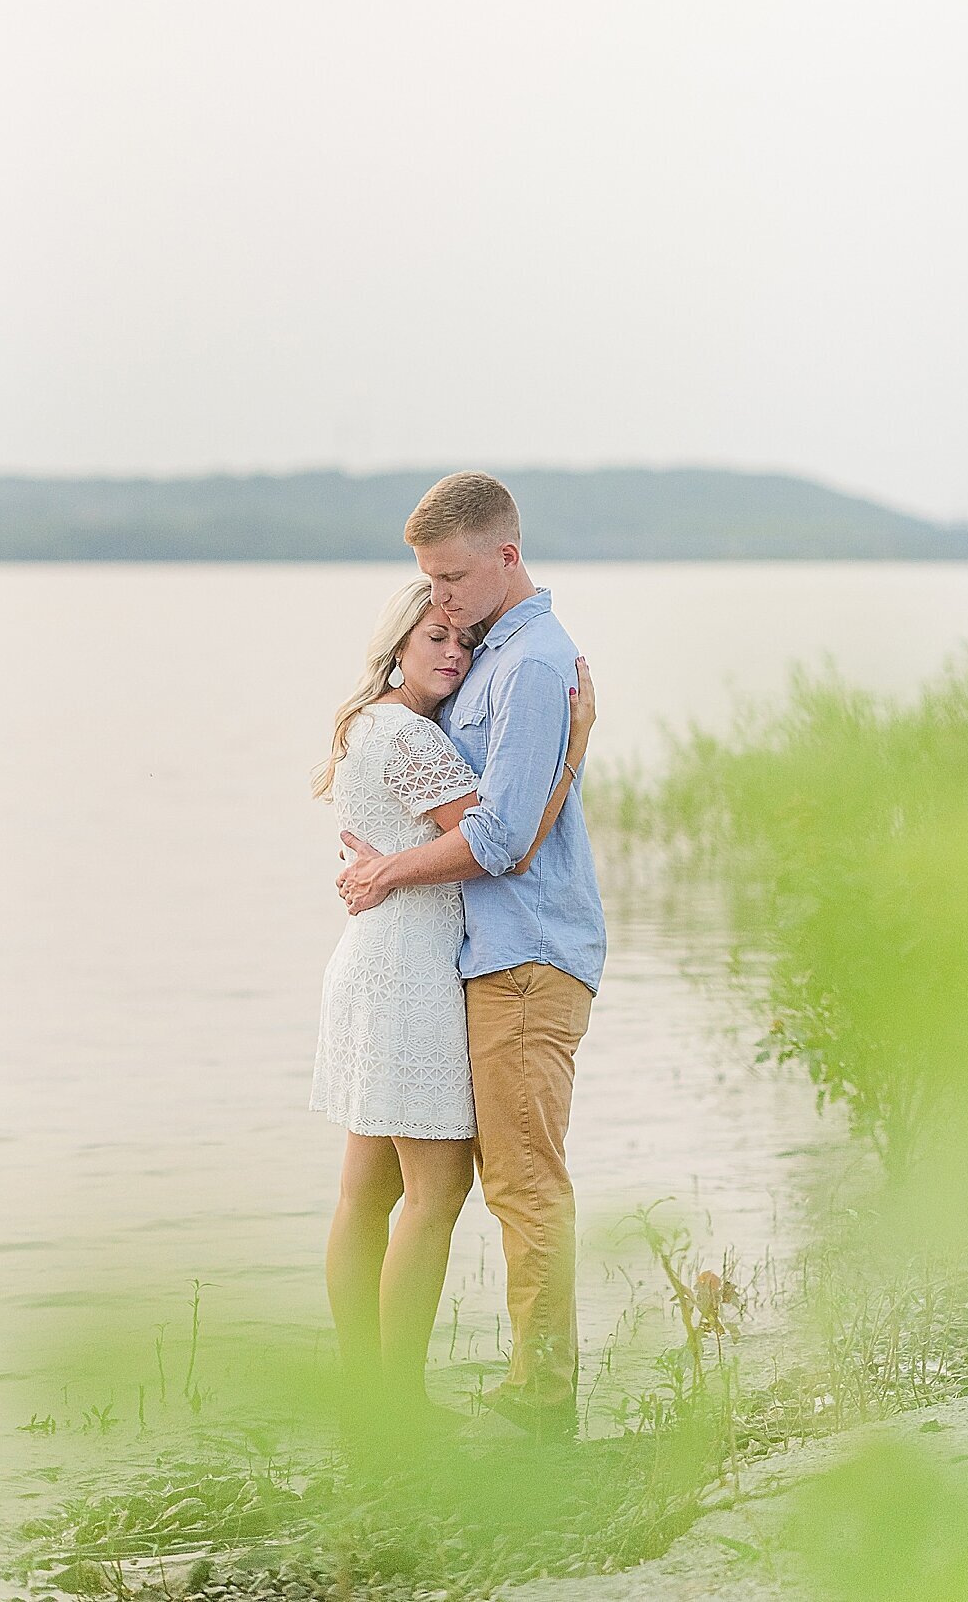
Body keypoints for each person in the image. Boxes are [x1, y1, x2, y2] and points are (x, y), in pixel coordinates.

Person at [338, 471, 608, 1442]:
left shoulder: (535, 663)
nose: (440, 599)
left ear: (506, 552)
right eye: (428, 584)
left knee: (524, 1183)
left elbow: (500, 841)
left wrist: (388, 873)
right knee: (485, 1182)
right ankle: (392, 1397)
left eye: (452, 577)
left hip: (528, 955)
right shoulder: (489, 657)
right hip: (475, 957)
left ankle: (540, 1407)